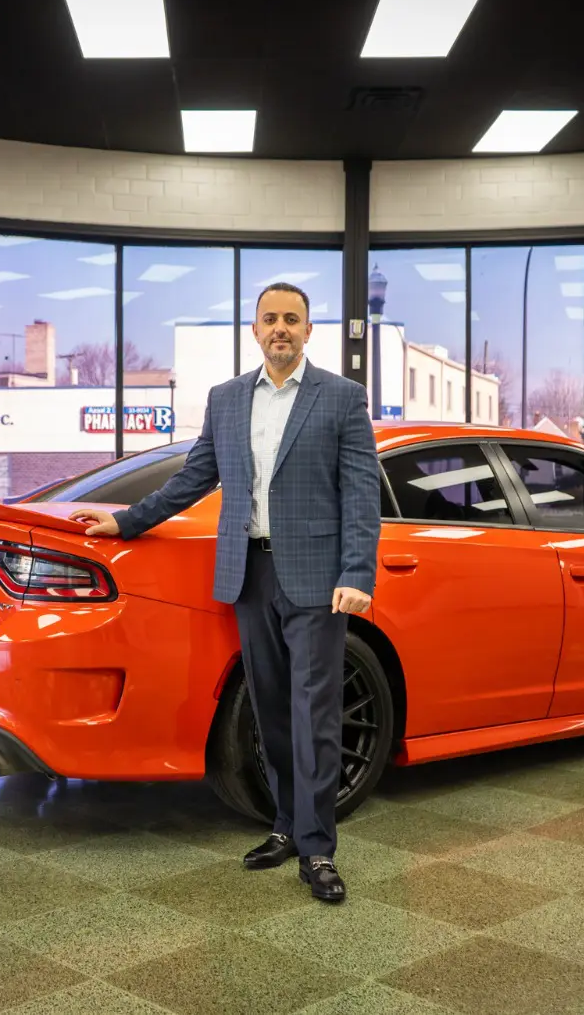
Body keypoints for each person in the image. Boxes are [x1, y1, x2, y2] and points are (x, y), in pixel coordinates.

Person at [69, 282, 381, 904]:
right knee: (270, 710)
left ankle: (318, 849)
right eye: (270, 319)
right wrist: (128, 521)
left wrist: (357, 574)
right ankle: (287, 827)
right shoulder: (228, 399)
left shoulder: (343, 399)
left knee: (315, 714)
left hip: (318, 578)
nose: (281, 329)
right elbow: (194, 476)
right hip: (248, 573)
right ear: (256, 329)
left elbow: (361, 496)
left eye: (292, 318)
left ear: (309, 329)